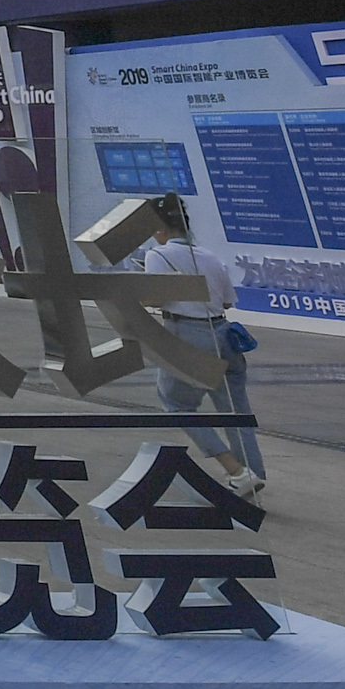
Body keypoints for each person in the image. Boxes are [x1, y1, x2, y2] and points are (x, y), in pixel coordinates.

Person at [126, 196, 264, 497]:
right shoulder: (209, 256)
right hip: (225, 335)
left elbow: (156, 298)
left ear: (160, 229)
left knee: (177, 404)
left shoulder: (158, 255)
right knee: (235, 411)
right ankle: (254, 474)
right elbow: (227, 302)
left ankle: (237, 471)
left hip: (187, 333)